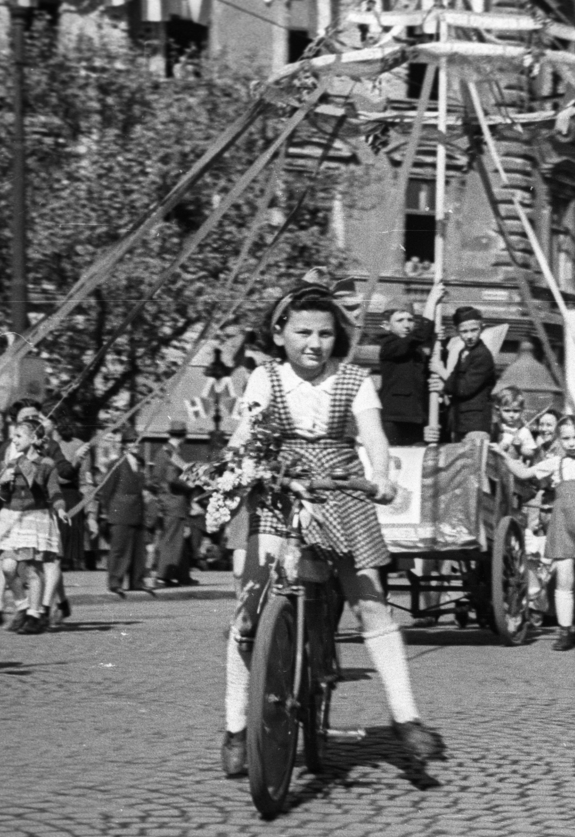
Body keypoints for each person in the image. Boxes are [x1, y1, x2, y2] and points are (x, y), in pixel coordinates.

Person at [224, 282, 436, 778]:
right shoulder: (264, 378)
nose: (314, 343)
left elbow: (374, 436)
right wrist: (233, 464)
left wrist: (380, 475)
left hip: (341, 485)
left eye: (324, 333)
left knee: (369, 599)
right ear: (280, 334)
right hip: (279, 485)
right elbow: (247, 430)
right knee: (250, 604)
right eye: (302, 332)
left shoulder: (354, 378)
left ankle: (406, 718)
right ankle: (236, 726)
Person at [498, 415, 575, 651]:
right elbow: (524, 473)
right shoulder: (555, 463)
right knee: (563, 581)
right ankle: (565, 631)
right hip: (563, 526)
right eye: (566, 438)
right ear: (559, 439)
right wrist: (504, 456)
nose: (572, 443)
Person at [0, 419, 68, 634]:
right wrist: (1, 484)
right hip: (15, 520)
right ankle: (22, 605)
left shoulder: (47, 464)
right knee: (7, 566)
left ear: (33, 439)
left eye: (18, 436)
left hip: (36, 519)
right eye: (13, 436)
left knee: (33, 569)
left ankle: (34, 614)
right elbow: (5, 495)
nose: (13, 440)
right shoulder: (13, 464)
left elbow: (54, 491)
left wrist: (60, 508)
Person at [376, 290, 444, 446]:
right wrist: (431, 302)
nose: (407, 325)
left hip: (416, 417)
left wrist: (438, 343)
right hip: (393, 418)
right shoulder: (389, 346)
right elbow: (417, 337)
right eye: (400, 320)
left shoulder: (416, 350)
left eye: (410, 320)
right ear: (387, 326)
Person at [97, 427, 151, 597]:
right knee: (119, 549)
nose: (136, 445)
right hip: (119, 511)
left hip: (137, 510)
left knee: (137, 550)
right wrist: (106, 512)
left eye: (137, 441)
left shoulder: (140, 463)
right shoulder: (117, 464)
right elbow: (107, 490)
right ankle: (115, 582)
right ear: (124, 445)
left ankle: (137, 581)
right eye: (131, 442)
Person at [433, 306, 496, 441]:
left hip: (475, 425)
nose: (469, 336)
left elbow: (464, 388)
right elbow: (455, 379)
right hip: (461, 422)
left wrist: (441, 372)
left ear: (482, 328)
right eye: (464, 331)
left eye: (474, 330)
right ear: (457, 332)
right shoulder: (464, 352)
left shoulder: (482, 355)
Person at [153, 422, 196, 586]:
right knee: (172, 540)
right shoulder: (171, 453)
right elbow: (172, 479)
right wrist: (189, 485)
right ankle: (162, 576)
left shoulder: (163, 451)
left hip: (168, 500)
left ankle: (182, 575)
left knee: (180, 541)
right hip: (174, 501)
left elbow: (157, 478)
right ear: (184, 435)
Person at [492, 387, 539, 462]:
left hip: (513, 468)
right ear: (498, 410)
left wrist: (520, 448)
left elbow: (531, 453)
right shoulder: (495, 427)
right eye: (507, 411)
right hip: (495, 467)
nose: (511, 415)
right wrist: (499, 447)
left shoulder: (523, 431)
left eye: (516, 411)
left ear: (522, 410)